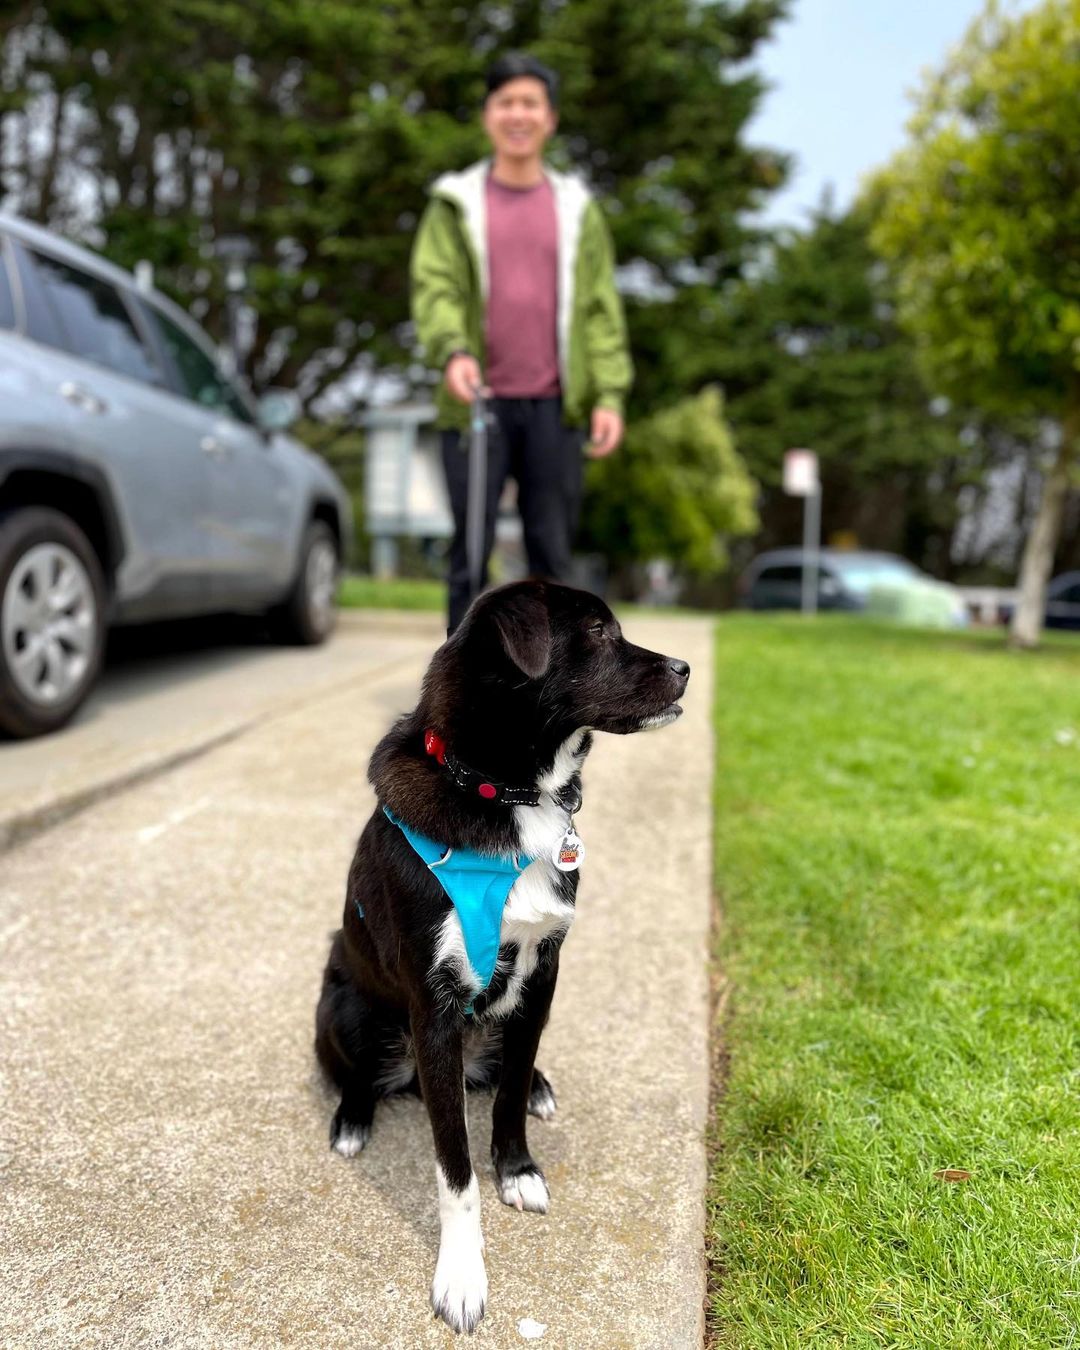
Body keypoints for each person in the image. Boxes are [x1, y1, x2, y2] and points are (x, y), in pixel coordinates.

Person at [410, 52, 633, 632]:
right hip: (474, 404)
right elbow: (435, 287)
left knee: (552, 562)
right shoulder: (453, 203)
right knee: (469, 553)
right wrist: (453, 351)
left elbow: (601, 310)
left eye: (530, 102)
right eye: (505, 101)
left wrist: (608, 394)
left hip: (555, 407)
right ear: (487, 115)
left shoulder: (578, 210)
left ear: (550, 119)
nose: (518, 114)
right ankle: (457, 695)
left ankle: (557, 696)